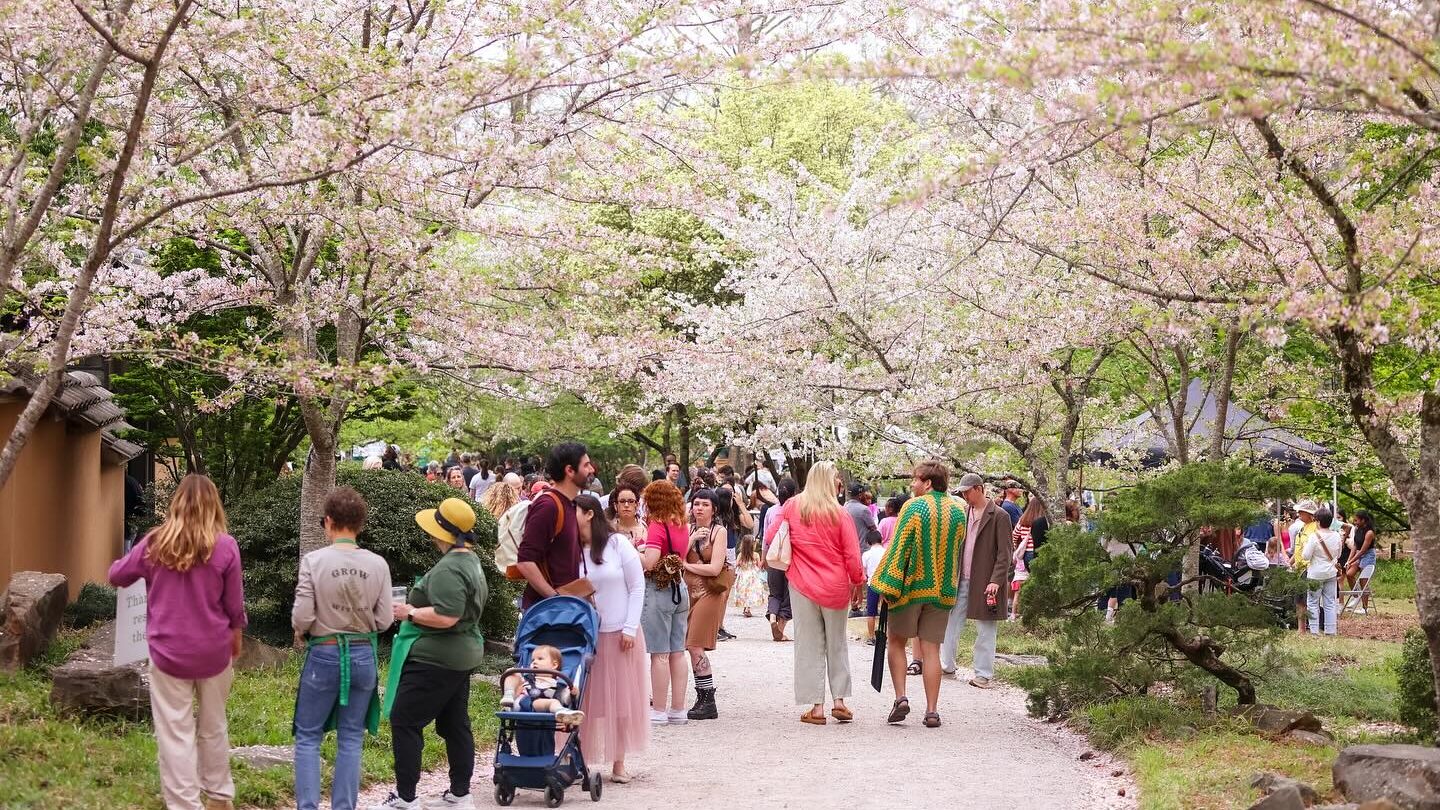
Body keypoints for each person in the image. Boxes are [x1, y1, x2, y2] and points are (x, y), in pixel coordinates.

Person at [107, 474, 247, 810]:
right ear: (214, 505)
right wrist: (236, 638)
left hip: (168, 653)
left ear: (176, 504)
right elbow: (234, 606)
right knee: (214, 725)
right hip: (214, 651)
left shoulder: (155, 543)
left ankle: (185, 804)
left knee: (175, 732)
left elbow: (117, 575)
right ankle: (218, 795)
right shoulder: (226, 546)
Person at [374, 498, 489, 810]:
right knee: (454, 723)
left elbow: (447, 615)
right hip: (462, 655)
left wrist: (409, 612)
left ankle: (405, 798)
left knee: (404, 719)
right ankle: (461, 793)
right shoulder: (471, 561)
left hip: (436, 658)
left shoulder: (450, 568)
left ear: (442, 533)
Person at [291, 487, 393, 810]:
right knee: (351, 737)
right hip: (363, 655)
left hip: (324, 653)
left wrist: (305, 631)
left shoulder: (314, 561)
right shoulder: (378, 565)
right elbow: (385, 619)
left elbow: (302, 616)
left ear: (329, 522)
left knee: (308, 736)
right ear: (360, 524)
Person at [761, 462, 863, 725]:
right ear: (830, 483)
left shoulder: (793, 506)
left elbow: (772, 535)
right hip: (836, 587)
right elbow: (852, 554)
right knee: (837, 643)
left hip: (802, 584)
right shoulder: (840, 514)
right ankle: (839, 701)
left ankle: (816, 707)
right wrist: (858, 582)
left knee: (808, 645)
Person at [870, 461, 964, 729]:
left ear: (928, 483)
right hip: (943, 589)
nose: (912, 484)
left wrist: (887, 585)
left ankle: (901, 697)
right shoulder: (959, 510)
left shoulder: (914, 507)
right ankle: (932, 711)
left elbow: (899, 549)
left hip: (911, 588)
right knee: (931, 649)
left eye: (915, 480)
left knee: (897, 642)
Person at [572, 494, 648, 783]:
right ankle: (578, 758)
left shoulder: (617, 544)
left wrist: (630, 626)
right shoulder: (573, 549)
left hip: (620, 633)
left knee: (622, 702)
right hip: (587, 635)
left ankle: (619, 762)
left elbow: (637, 585)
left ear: (590, 514)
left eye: (574, 512)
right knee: (585, 701)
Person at [940, 472, 1013, 689]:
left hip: (986, 581)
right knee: (951, 622)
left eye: (966, 492)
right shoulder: (964, 512)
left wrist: (996, 581)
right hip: (962, 578)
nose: (964, 496)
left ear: (978, 489)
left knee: (986, 628)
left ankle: (983, 673)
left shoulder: (999, 515)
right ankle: (947, 665)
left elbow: (1005, 553)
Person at [515, 442, 593, 610]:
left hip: (566, 611)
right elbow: (525, 560)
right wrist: (555, 598)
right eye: (586, 465)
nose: (591, 470)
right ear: (570, 471)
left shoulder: (570, 504)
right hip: (549, 618)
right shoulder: (548, 506)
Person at [639, 480, 691, 725]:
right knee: (678, 652)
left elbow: (650, 562)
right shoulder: (681, 524)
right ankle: (678, 709)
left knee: (659, 654)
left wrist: (632, 551)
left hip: (659, 591)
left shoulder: (657, 525)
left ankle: (659, 710)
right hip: (679, 588)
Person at [682, 488, 730, 720]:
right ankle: (702, 697)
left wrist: (687, 566)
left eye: (705, 504)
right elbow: (675, 556)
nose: (699, 508)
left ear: (714, 509)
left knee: (695, 644)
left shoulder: (719, 532)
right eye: (696, 503)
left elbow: (714, 568)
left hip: (710, 593)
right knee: (690, 645)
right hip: (689, 593)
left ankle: (707, 699)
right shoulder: (687, 529)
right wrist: (690, 540)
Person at [500, 645, 584, 726]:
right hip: (521, 702)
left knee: (553, 702)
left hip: (539, 705)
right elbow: (515, 680)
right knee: (511, 672)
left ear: (554, 665)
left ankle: (562, 713)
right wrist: (514, 691)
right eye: (532, 660)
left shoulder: (559, 683)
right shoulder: (527, 678)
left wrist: (572, 694)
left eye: (540, 659)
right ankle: (509, 694)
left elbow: (565, 699)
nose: (534, 662)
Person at [763, 477, 798, 642]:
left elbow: (766, 537)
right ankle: (781, 629)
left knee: (774, 593)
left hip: (773, 556)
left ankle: (772, 618)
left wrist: (764, 558)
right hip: (789, 559)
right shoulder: (796, 512)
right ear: (794, 494)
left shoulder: (771, 511)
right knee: (787, 594)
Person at [1302, 507, 1343, 636]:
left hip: (1315, 573)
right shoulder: (1336, 535)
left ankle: (1314, 630)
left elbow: (1306, 556)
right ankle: (1330, 630)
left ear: (1318, 521)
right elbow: (1339, 554)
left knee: (1313, 602)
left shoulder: (1314, 537)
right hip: (1331, 573)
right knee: (1330, 602)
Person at [1289, 500, 1320, 632]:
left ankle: (1310, 627)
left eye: (1301, 512)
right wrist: (1291, 562)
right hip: (1299, 567)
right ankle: (1301, 628)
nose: (1299, 514)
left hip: (1309, 567)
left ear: (1309, 514)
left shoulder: (1315, 528)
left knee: (1308, 600)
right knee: (1299, 599)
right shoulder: (1303, 527)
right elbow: (1299, 548)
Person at [1010, 497, 1044, 620]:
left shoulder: (1023, 520)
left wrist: (1018, 548)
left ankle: (1018, 613)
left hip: (1025, 555)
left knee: (1023, 586)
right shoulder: (1042, 521)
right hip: (1038, 552)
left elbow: (1014, 535)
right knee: (1036, 583)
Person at [1346, 511, 1378, 613]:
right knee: (1349, 574)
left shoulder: (1370, 533)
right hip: (1359, 554)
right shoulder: (1357, 529)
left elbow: (1364, 550)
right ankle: (1356, 596)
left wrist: (1352, 560)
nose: (1355, 522)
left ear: (1363, 520)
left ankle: (1365, 608)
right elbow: (1355, 546)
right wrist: (1349, 561)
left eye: (1356, 520)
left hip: (1368, 555)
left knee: (1363, 581)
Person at [731, 536, 766, 618]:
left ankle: (745, 608)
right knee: (751, 592)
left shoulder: (740, 555)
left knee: (744, 592)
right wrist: (762, 562)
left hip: (743, 576)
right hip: (752, 576)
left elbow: (736, 564)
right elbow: (759, 566)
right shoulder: (756, 555)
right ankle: (747, 609)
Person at [861, 534, 886, 643]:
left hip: (873, 584)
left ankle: (871, 637)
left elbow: (864, 573)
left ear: (868, 542)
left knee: (871, 612)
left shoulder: (866, 554)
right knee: (886, 611)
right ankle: (886, 636)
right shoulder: (886, 552)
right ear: (881, 540)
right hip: (885, 585)